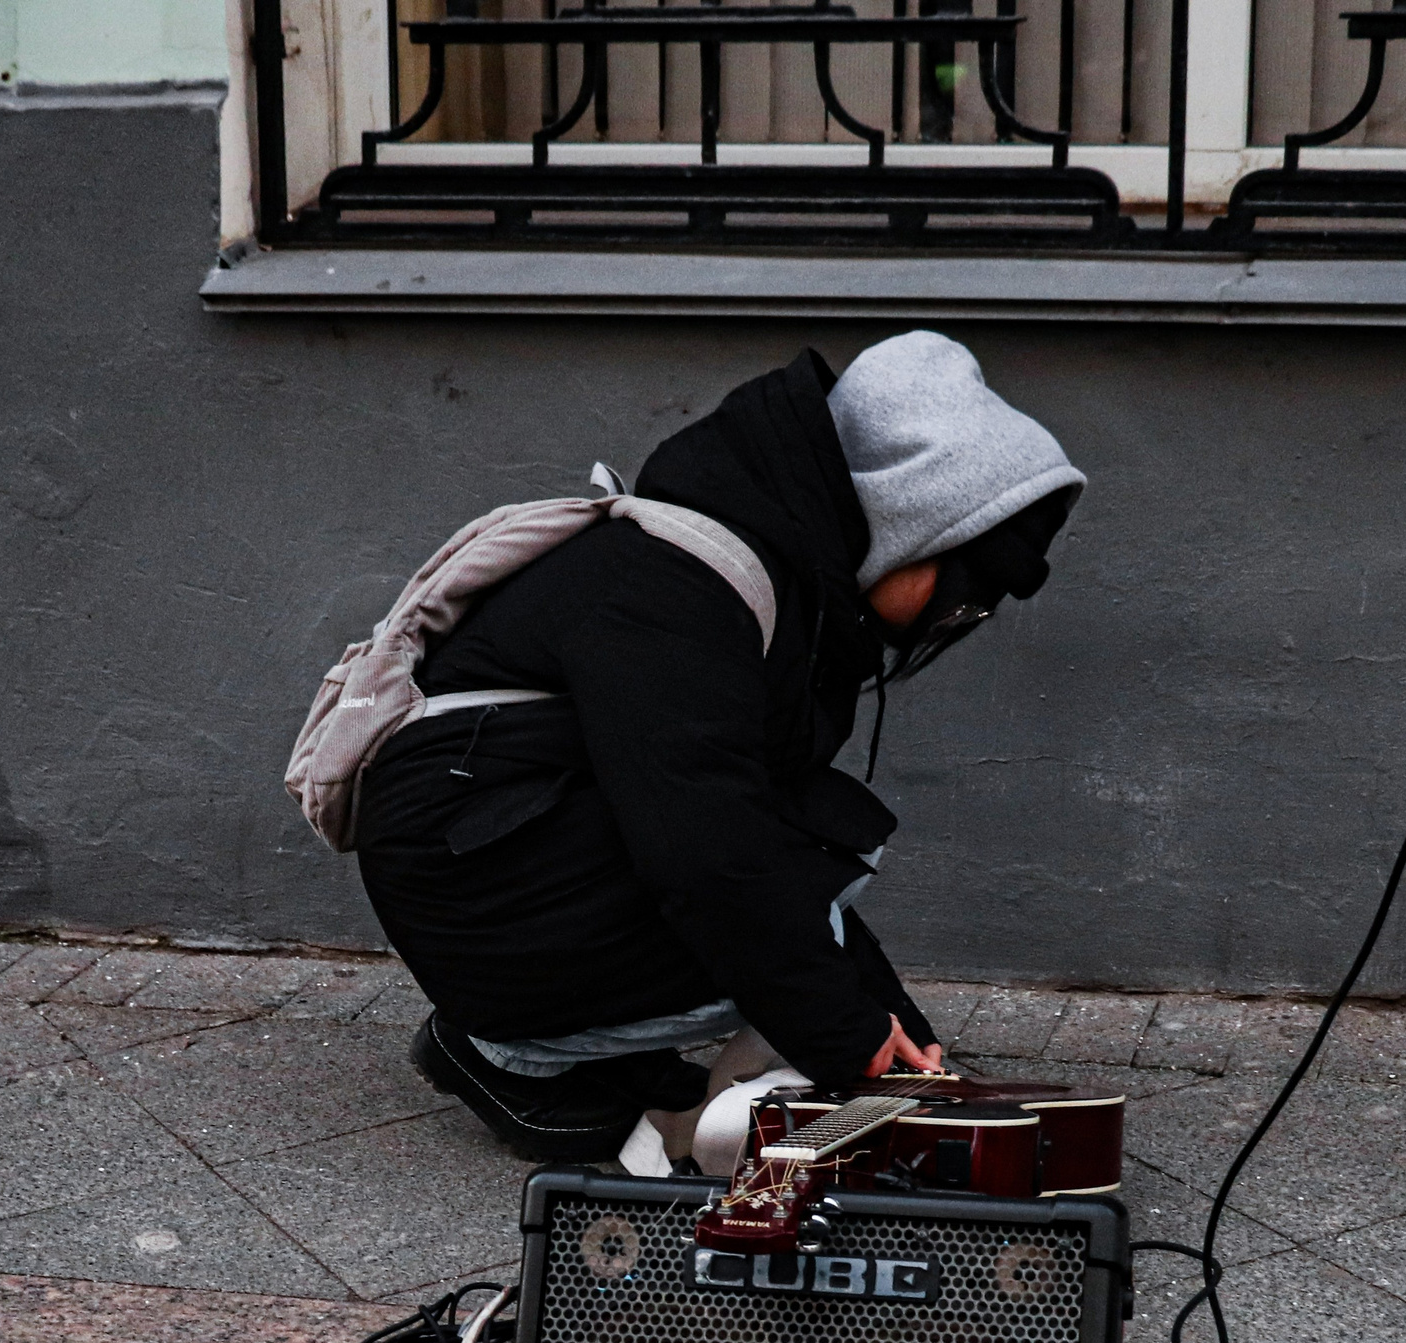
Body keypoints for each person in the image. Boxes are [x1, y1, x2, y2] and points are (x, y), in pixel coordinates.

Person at [354, 330, 1083, 1173]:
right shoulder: (676, 591)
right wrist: (846, 1037)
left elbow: (763, 846)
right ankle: (507, 1052)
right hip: (474, 885)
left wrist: (903, 1044)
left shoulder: (786, 584)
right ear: (916, 522)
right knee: (748, 881)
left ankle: (583, 1038)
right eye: (964, 595)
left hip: (522, 846)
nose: (962, 618)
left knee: (796, 848)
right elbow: (708, 852)